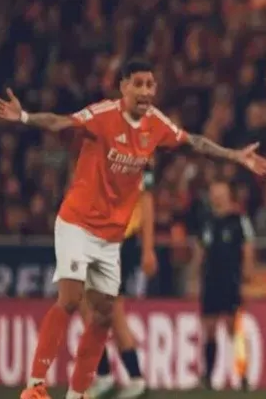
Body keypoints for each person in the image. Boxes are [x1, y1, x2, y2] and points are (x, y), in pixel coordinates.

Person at [0, 58, 266, 399]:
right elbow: (61, 123)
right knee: (70, 298)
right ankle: (35, 385)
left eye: (150, 85)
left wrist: (234, 156)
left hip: (112, 236)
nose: (145, 91)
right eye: (138, 84)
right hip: (77, 222)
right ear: (123, 87)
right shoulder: (102, 115)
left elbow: (194, 142)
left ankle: (78, 393)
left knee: (105, 315)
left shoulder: (156, 124)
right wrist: (23, 117)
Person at [84, 166, 157, 398]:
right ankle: (105, 375)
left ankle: (135, 379)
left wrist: (147, 249)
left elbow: (146, 201)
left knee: (112, 311)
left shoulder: (136, 153)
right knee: (88, 309)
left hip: (120, 241)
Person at [194, 180, 255, 390]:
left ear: (228, 195)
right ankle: (208, 377)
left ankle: (243, 375)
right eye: (214, 193)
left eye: (220, 192)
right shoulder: (207, 220)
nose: (217, 197)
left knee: (233, 328)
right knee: (209, 329)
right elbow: (201, 249)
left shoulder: (238, 219)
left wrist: (247, 271)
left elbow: (247, 246)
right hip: (210, 280)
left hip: (230, 280)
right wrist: (195, 275)